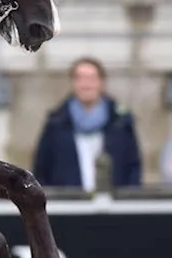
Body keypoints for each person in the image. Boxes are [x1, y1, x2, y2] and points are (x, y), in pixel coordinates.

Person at [32, 57, 143, 190]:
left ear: (101, 83)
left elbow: (133, 168)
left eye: (91, 79)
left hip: (113, 204)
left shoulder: (120, 123)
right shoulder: (56, 124)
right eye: (80, 78)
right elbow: (42, 169)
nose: (86, 85)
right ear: (73, 83)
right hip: (68, 204)